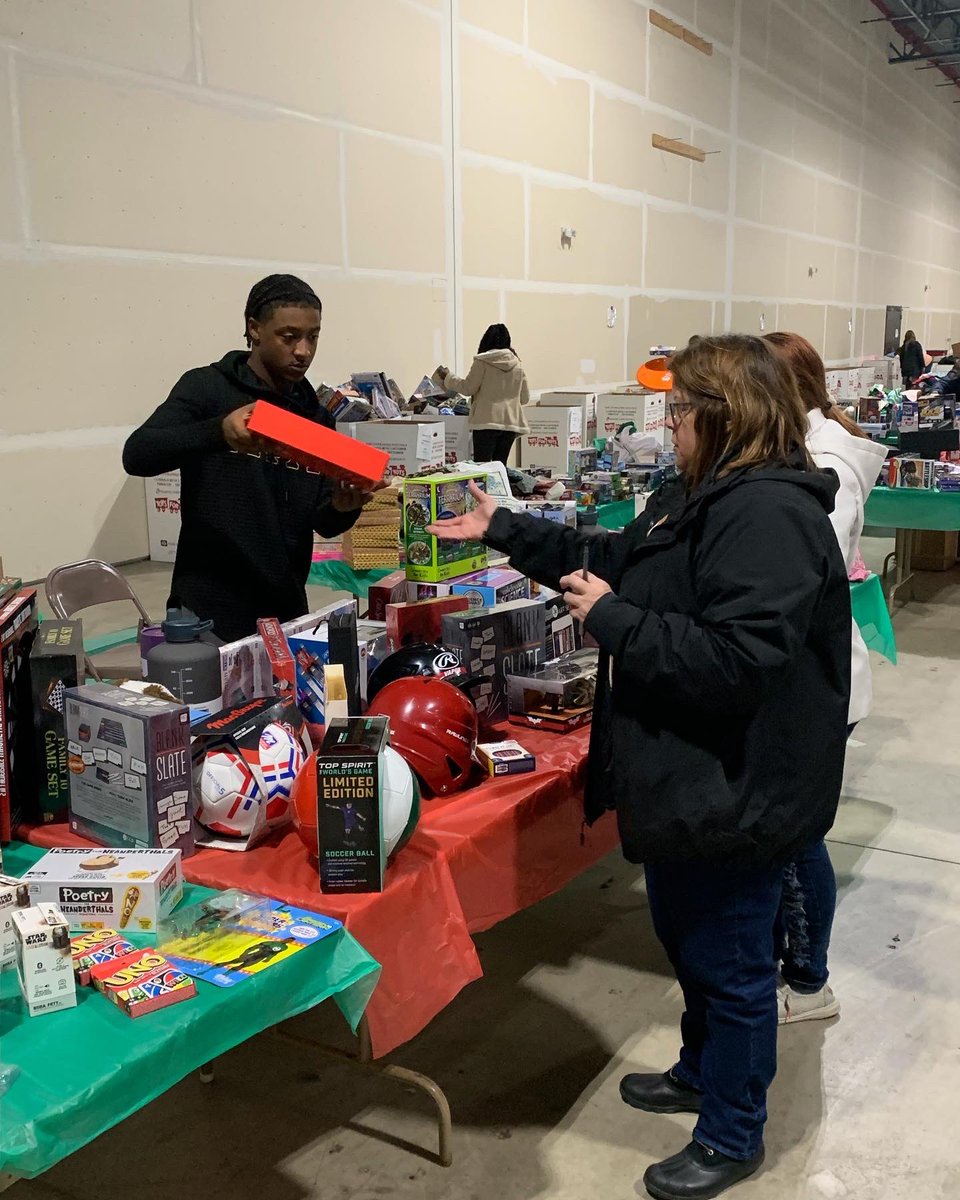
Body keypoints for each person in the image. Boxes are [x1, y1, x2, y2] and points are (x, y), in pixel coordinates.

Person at [429, 334, 851, 1199]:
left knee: (733, 965)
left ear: (724, 417)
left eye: (680, 411)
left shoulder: (768, 514)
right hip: (687, 780)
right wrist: (505, 530)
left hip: (740, 788)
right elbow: (621, 561)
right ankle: (700, 1070)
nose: (669, 426)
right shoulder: (701, 493)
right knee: (688, 940)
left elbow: (739, 662)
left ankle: (733, 1132)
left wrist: (616, 624)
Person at [123, 275, 382, 642]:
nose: (303, 351)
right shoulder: (208, 388)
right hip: (207, 613)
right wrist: (218, 432)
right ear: (254, 329)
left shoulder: (314, 418)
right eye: (289, 337)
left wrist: (344, 505)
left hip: (285, 615)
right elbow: (137, 454)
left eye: (313, 336)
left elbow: (323, 521)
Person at [764, 332, 887, 1026]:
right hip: (807, 679)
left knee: (796, 840)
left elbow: (808, 567)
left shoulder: (828, 460)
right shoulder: (801, 449)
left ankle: (809, 983)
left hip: (816, 684)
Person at [436, 323, 530, 466]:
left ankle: (483, 490)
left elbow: (468, 388)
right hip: (511, 424)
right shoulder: (517, 365)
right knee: (500, 468)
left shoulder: (482, 362)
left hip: (486, 422)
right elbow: (524, 398)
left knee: (482, 467)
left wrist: (448, 377)